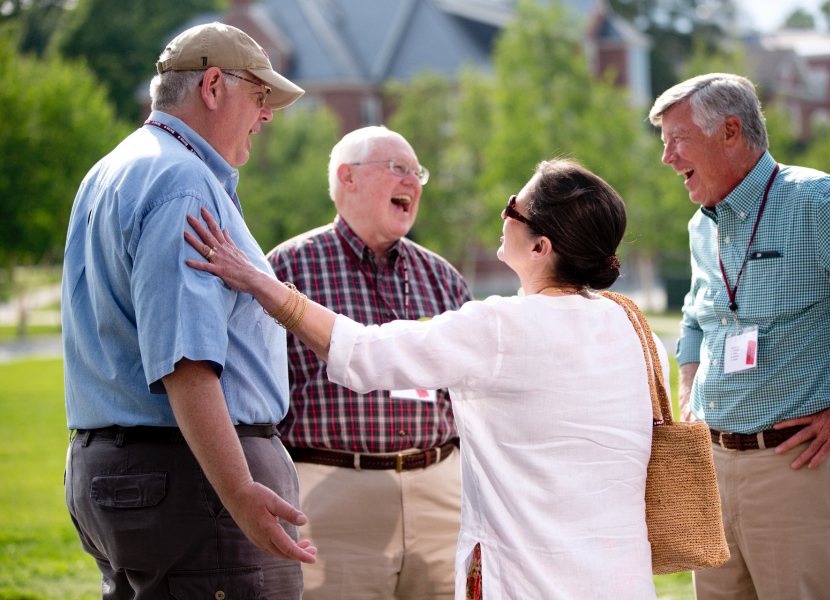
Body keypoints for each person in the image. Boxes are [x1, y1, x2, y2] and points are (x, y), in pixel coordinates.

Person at [185, 157, 668, 599]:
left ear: (541, 246)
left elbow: (364, 355)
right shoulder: (633, 328)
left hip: (529, 579)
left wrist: (261, 284)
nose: (503, 217)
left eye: (512, 208)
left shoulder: (500, 328)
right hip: (620, 579)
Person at [61, 22, 316, 599]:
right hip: (193, 481)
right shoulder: (183, 182)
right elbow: (185, 360)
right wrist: (240, 490)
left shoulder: (111, 171)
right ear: (213, 86)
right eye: (260, 95)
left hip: (118, 469)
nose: (268, 114)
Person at [648, 72, 830, 599]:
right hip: (714, 473)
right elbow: (696, 317)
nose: (667, 158)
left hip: (799, 470)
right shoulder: (702, 225)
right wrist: (690, 391)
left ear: (731, 132)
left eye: (677, 138)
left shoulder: (818, 203)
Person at [264, 125, 472, 599]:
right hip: (331, 491)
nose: (413, 182)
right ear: (347, 178)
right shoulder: (288, 270)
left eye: (417, 172)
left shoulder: (441, 278)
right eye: (397, 168)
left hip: (440, 488)